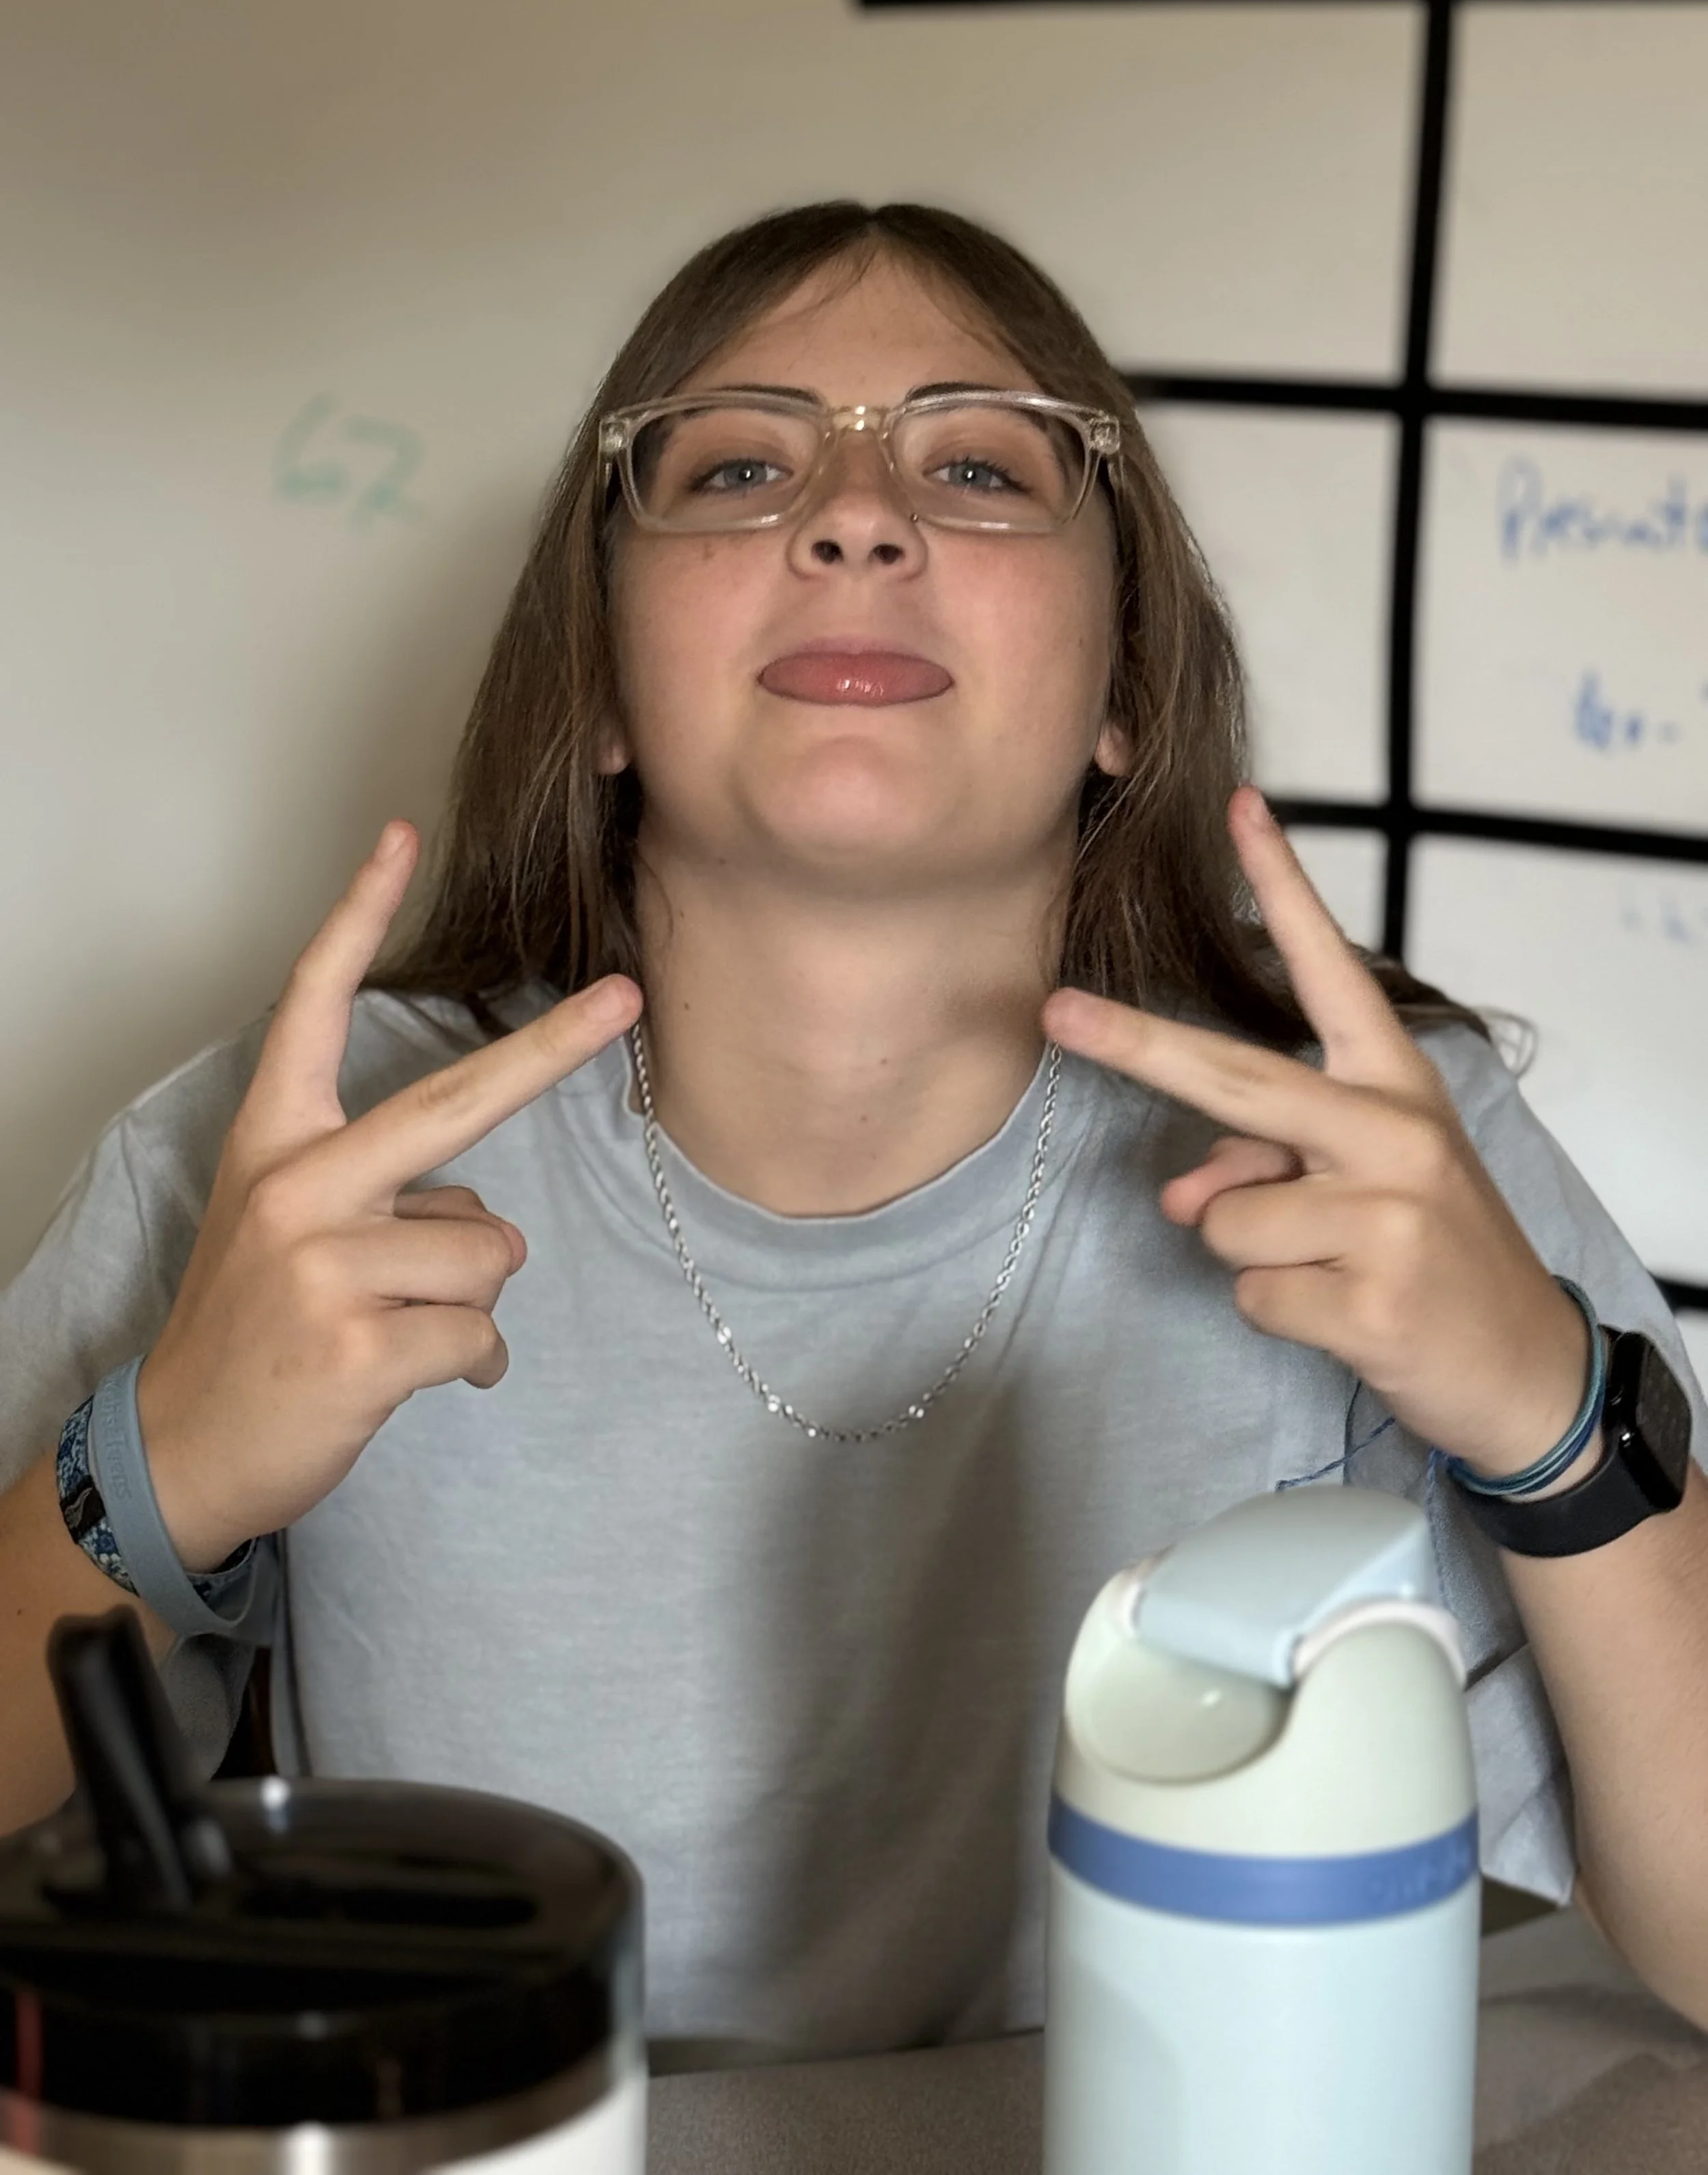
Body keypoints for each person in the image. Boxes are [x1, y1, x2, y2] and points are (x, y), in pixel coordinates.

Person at [1, 201, 1705, 2068]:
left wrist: (1554, 1419)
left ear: (1128, 685)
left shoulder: (1383, 1146)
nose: (855, 512)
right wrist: (151, 1475)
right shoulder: (287, 1152)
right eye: (737, 464)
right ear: (597, 686)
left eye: (977, 464)